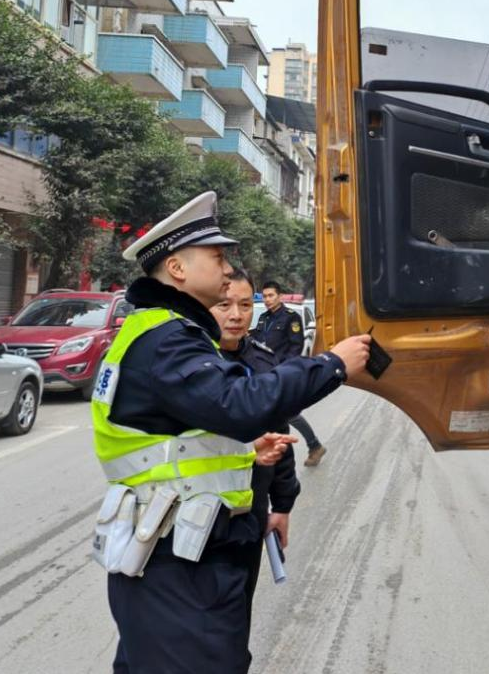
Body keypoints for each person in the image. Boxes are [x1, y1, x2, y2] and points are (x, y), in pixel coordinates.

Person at [90, 191, 371, 674]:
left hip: (181, 556)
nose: (226, 270)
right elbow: (241, 405)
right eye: (217, 258)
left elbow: (182, 433)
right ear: (177, 268)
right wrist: (331, 364)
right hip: (176, 566)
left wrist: (247, 450)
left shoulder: (165, 331)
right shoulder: (167, 338)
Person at [210, 269, 301, 613]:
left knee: (237, 612)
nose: (236, 315)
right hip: (195, 508)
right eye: (224, 304)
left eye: (246, 305)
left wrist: (282, 505)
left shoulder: (262, 359)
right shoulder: (191, 361)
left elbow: (280, 437)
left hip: (251, 509)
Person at [253, 280, 328, 466]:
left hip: (280, 372)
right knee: (279, 412)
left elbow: (296, 346)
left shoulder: (291, 317)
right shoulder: (263, 318)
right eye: (265, 296)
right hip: (263, 371)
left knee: (287, 412)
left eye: (271, 295)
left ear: (279, 296)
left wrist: (283, 369)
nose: (268, 300)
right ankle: (312, 446)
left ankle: (313, 446)